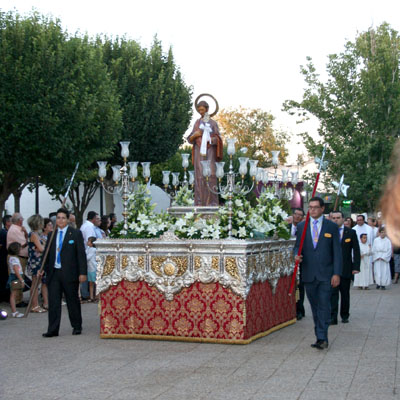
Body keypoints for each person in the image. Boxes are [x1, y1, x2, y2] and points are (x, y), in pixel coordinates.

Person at [294, 197, 342, 350]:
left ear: (322, 209)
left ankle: (322, 336)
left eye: (316, 207)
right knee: (314, 306)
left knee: (324, 305)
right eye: (311, 207)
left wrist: (336, 273)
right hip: (309, 274)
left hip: (326, 274)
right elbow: (297, 247)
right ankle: (319, 334)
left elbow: (337, 252)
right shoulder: (302, 226)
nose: (312, 210)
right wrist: (296, 255)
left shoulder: (331, 227)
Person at [41, 208, 87, 337]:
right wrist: (42, 268)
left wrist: (82, 272)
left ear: (67, 220)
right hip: (54, 272)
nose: (60, 220)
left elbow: (81, 254)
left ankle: (77, 326)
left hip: (69, 273)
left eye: (63, 218)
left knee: (72, 300)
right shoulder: (52, 235)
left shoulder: (75, 233)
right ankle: (53, 329)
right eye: (58, 218)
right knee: (54, 301)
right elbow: (46, 254)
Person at [187, 100, 223, 206]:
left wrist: (210, 140)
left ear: (207, 109)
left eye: (202, 110)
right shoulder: (197, 123)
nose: (201, 112)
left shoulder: (213, 123)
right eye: (199, 110)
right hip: (199, 153)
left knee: (211, 175)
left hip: (210, 152)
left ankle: (212, 203)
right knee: (199, 177)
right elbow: (189, 139)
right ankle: (199, 203)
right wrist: (196, 135)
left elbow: (219, 139)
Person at [330, 211, 360, 324]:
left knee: (345, 293)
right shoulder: (328, 232)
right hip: (332, 269)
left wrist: (356, 266)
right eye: (334, 218)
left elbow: (356, 250)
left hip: (346, 268)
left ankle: (345, 315)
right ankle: (332, 316)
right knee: (332, 293)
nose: (336, 220)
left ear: (343, 219)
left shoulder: (351, 232)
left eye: (338, 218)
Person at [7, 213, 29, 307]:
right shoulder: (15, 230)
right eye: (22, 219)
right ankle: (17, 300)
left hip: (21, 257)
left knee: (20, 277)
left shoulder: (18, 229)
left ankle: (19, 299)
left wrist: (26, 233)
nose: (23, 220)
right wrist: (30, 240)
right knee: (17, 278)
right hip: (18, 257)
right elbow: (22, 244)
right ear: (19, 220)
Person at [27, 214, 46, 313]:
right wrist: (43, 245)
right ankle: (34, 305)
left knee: (37, 282)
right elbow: (42, 248)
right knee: (35, 283)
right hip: (35, 262)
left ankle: (35, 304)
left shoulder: (37, 235)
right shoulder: (34, 235)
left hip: (38, 260)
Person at [289, 208, 306, 320]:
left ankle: (299, 309)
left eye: (300, 215)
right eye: (296, 214)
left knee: (300, 286)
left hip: (300, 259)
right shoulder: (285, 227)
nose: (297, 217)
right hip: (287, 259)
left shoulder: (304, 229)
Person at [80, 211, 99, 301]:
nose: (98, 220)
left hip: (87, 253)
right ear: (93, 218)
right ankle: (86, 294)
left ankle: (89, 294)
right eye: (97, 218)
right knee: (88, 278)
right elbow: (89, 239)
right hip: (87, 254)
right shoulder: (89, 227)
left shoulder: (85, 226)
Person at [7, 242, 25, 318]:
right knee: (14, 294)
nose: (21, 249)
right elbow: (16, 269)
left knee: (13, 294)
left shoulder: (11, 257)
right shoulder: (14, 259)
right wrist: (21, 280)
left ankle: (14, 311)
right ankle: (14, 312)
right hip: (15, 277)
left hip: (14, 276)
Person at [39, 218, 53, 309]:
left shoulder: (52, 236)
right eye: (49, 225)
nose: (51, 226)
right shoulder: (42, 238)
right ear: (44, 227)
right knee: (44, 282)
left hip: (52, 261)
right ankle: (46, 301)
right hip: (44, 261)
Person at [0, 215, 11, 302]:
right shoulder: (4, 233)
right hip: (3, 259)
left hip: (5, 258)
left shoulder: (6, 232)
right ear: (7, 223)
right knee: (4, 277)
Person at [86, 237, 97, 302]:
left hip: (93, 267)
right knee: (90, 283)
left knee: (95, 282)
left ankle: (96, 296)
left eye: (89, 241)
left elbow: (88, 257)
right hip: (89, 268)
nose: (87, 242)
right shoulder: (88, 248)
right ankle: (91, 296)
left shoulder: (93, 249)